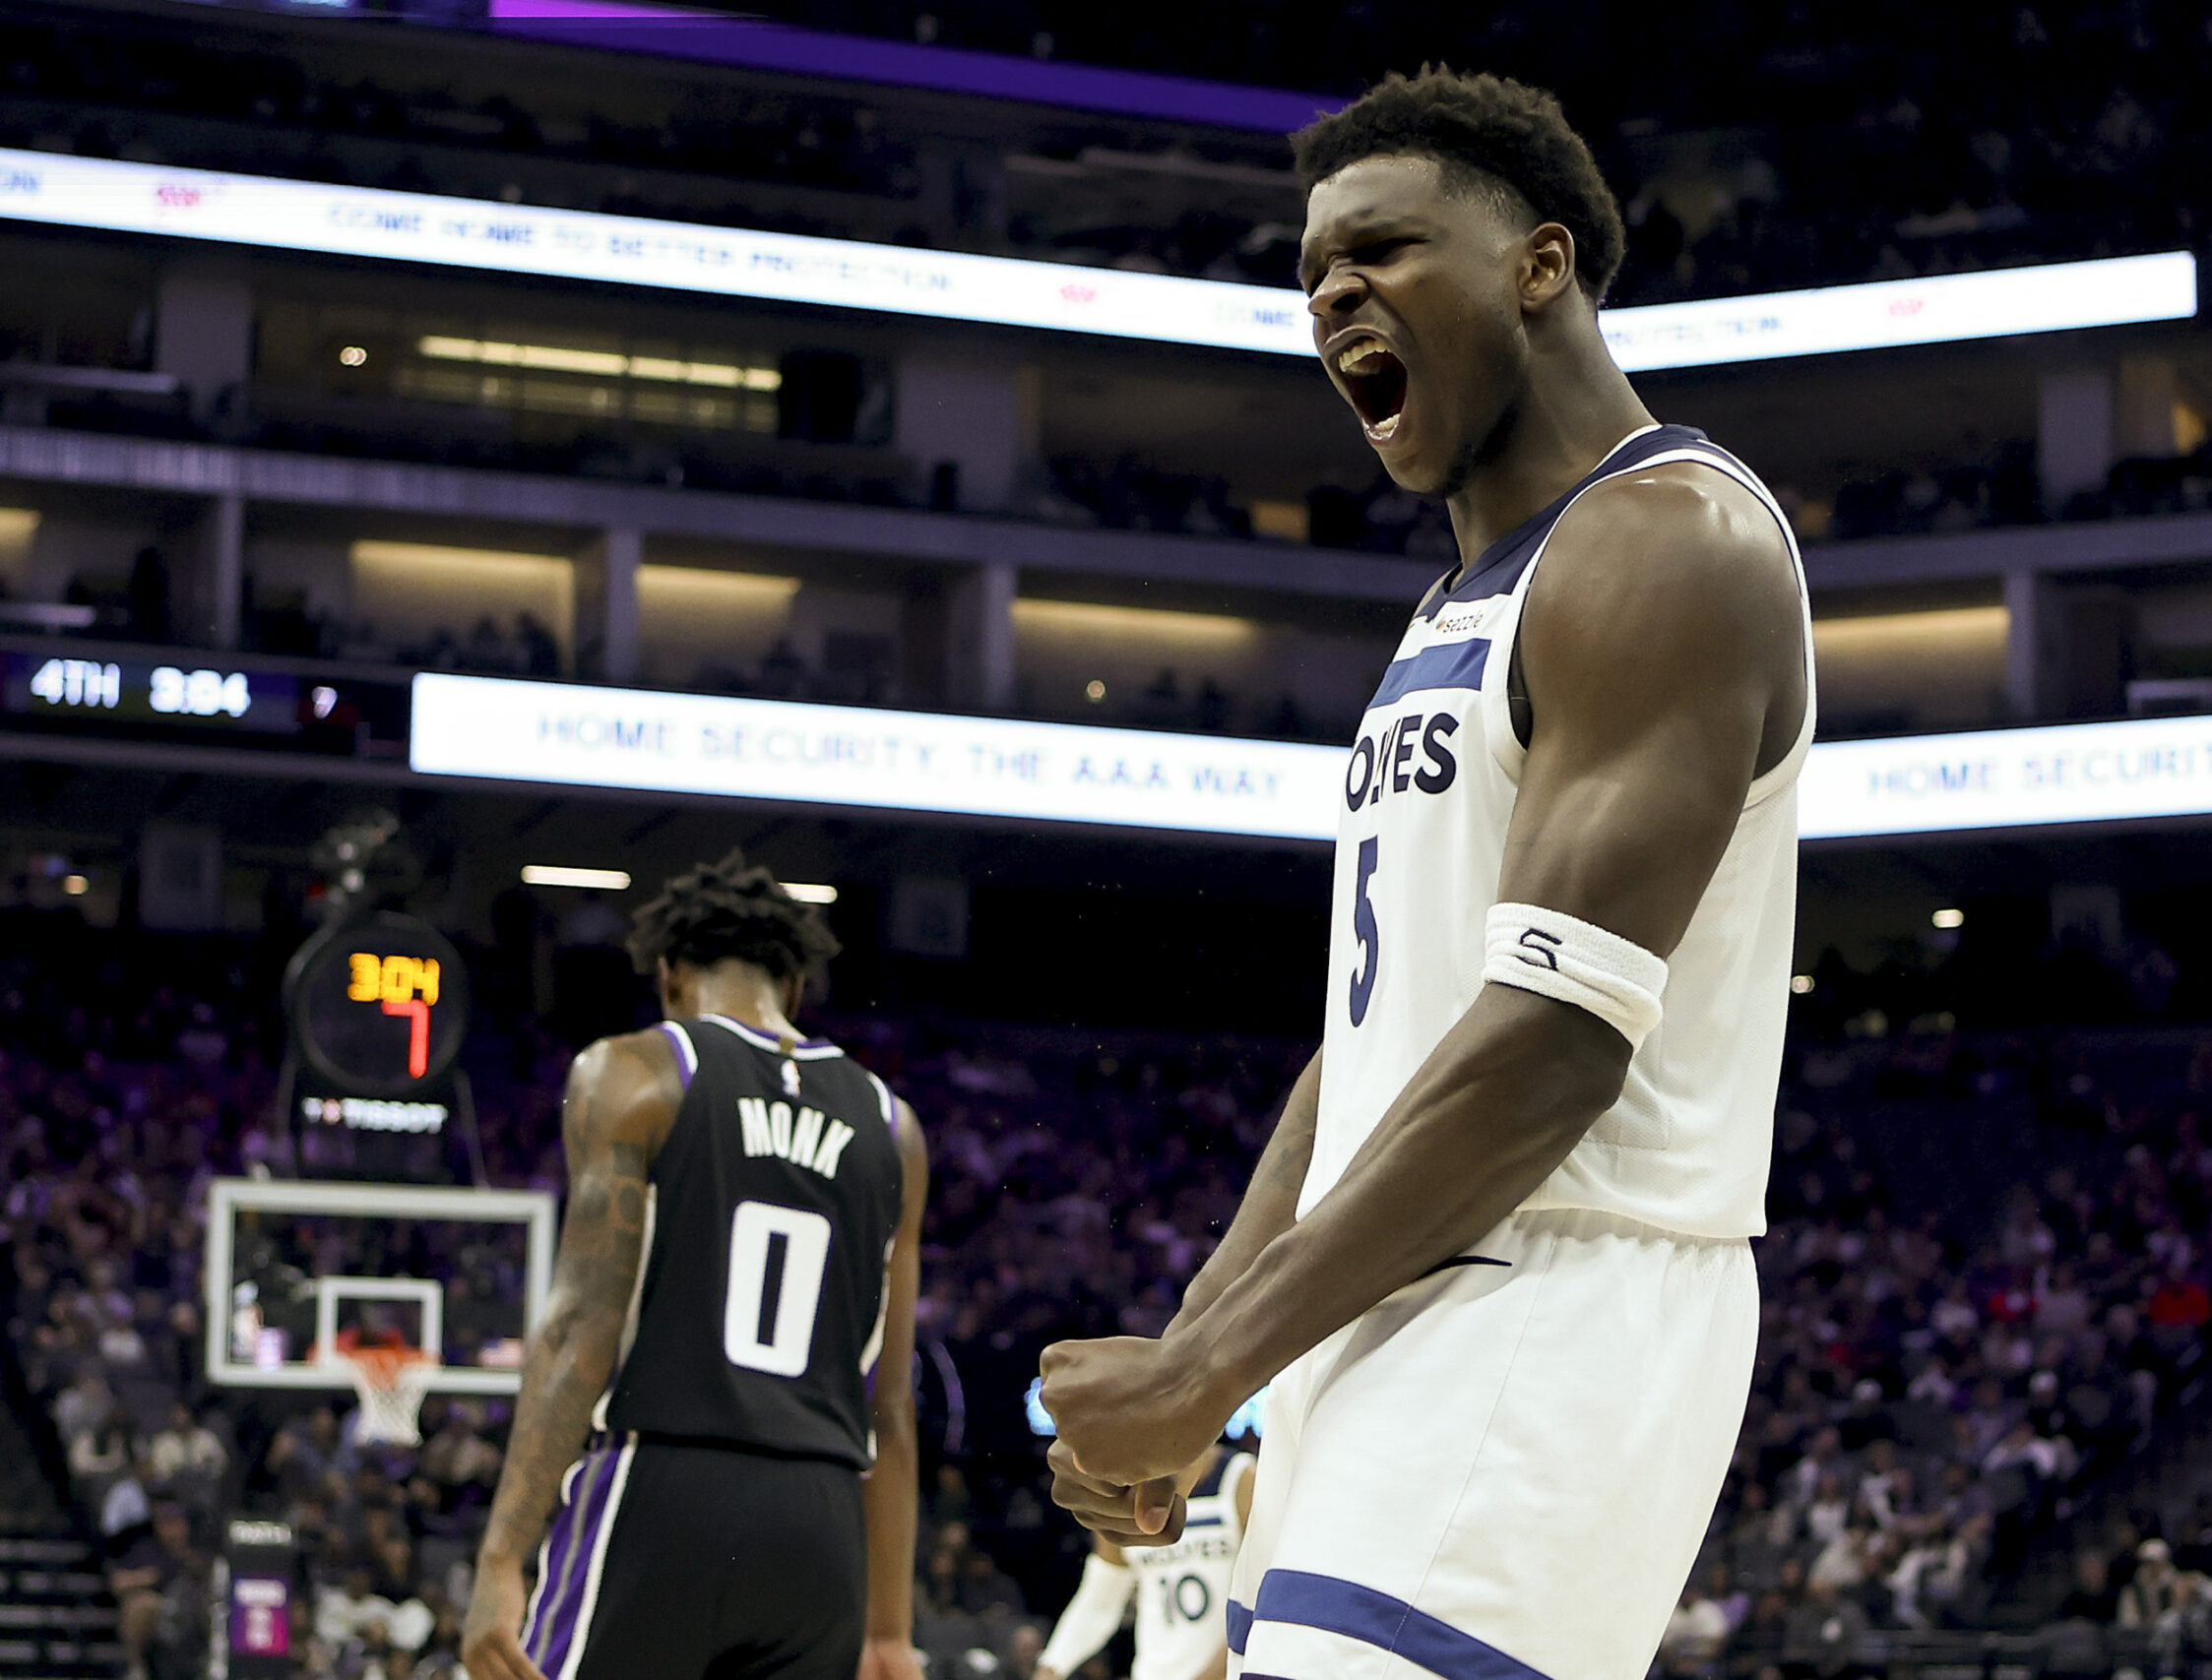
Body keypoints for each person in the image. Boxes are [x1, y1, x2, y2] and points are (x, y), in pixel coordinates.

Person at [1037, 67, 1811, 1680]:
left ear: (1540, 263)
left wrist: (1207, 1372)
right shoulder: (1460, 601)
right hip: (1384, 1291)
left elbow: (1549, 1042)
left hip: (1558, 1285)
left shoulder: (1670, 542)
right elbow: (1370, 1046)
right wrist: (1203, 1352)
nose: (1334, 298)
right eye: (1313, 274)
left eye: (1381, 249)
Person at [461, 853, 926, 1680]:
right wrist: (889, 1629)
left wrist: (502, 1557)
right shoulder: (894, 1127)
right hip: (820, 1524)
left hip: (665, 1487)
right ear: (794, 983)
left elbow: (578, 1328)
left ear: (669, 976)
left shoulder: (635, 1071)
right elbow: (890, 1404)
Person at [1036, 1442, 1257, 1680]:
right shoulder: (1122, 1487)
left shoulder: (1242, 1478)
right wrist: (1050, 1670)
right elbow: (1100, 1603)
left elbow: (1258, 1607)